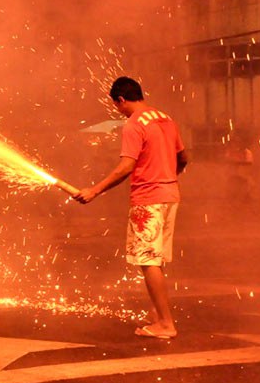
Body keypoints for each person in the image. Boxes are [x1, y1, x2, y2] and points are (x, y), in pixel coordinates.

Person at [74, 77, 188, 340]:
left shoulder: (134, 124)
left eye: (117, 105)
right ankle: (157, 313)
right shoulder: (166, 118)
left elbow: (126, 166)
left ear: (121, 100)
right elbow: (183, 157)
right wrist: (169, 175)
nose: (118, 110)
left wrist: (94, 190)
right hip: (170, 196)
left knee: (147, 260)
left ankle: (165, 324)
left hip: (148, 198)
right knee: (155, 258)